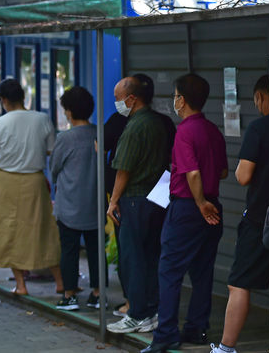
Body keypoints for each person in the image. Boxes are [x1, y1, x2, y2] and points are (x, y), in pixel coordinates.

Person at [142, 74, 228, 353]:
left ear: (182, 100)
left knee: (169, 271)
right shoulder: (212, 130)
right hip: (213, 205)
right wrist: (207, 199)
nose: (174, 101)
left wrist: (200, 200)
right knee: (203, 270)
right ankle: (197, 328)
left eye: (176, 95)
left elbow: (191, 172)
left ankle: (165, 334)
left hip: (190, 207)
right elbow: (224, 170)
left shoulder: (186, 131)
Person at [211, 75, 269, 353]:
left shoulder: (259, 128)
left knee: (239, 284)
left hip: (260, 219)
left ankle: (226, 348)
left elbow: (243, 176)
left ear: (261, 97)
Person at [105, 73, 176, 318]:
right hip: (158, 198)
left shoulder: (135, 126)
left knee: (132, 258)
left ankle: (137, 312)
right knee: (153, 255)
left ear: (132, 99)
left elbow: (123, 168)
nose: (116, 103)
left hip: (134, 199)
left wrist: (113, 200)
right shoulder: (160, 122)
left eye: (118, 98)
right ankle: (153, 309)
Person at [0, 78, 62, 295]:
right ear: (23, 97)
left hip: (6, 182)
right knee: (44, 228)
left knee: (9, 231)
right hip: (35, 180)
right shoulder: (42, 119)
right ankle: (59, 282)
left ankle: (21, 285)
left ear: (3, 100)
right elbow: (50, 150)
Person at [51, 86, 104, 311]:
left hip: (69, 205)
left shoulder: (66, 138)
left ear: (70, 111)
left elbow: (54, 168)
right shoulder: (99, 133)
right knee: (95, 249)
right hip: (95, 204)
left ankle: (70, 294)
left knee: (69, 250)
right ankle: (98, 293)